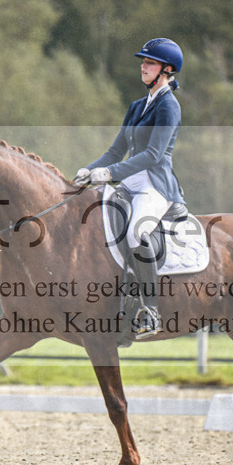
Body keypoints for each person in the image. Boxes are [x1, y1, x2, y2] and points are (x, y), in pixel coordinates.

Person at [74, 38, 185, 339]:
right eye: (143, 61)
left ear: (167, 69)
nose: (143, 65)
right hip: (128, 181)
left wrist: (109, 173)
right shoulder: (137, 106)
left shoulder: (169, 106)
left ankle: (151, 309)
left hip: (155, 185)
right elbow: (115, 151)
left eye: (149, 62)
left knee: (137, 230)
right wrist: (89, 169)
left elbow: (153, 155)